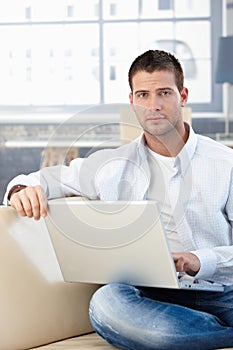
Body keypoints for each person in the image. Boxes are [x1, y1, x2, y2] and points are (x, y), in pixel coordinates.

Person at [4, 50, 233, 349]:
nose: (154, 105)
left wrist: (200, 260)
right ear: (132, 101)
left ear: (183, 96)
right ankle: (213, 334)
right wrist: (20, 190)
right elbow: (39, 179)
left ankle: (183, 334)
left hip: (221, 293)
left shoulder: (224, 163)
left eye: (164, 92)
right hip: (146, 298)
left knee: (152, 329)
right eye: (143, 94)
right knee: (105, 305)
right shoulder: (109, 165)